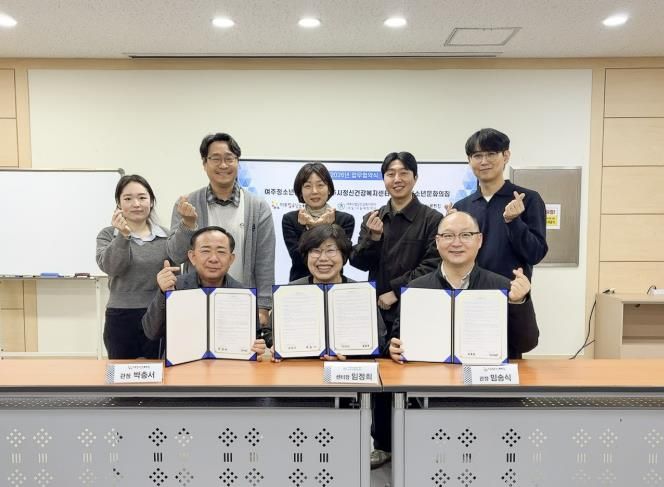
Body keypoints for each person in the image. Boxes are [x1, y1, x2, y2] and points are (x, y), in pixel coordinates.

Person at [349, 151, 442, 468]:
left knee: (416, 375)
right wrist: (373, 238)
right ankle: (383, 445)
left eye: (403, 173)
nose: (397, 179)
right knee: (379, 379)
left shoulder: (431, 219)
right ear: (384, 179)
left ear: (415, 177)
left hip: (416, 307)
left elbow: (433, 264)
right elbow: (357, 261)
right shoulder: (373, 217)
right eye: (390, 173)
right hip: (377, 311)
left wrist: (396, 291)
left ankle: (417, 442)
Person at [388, 211, 539, 364]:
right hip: (431, 376)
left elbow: (526, 344)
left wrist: (518, 302)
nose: (456, 243)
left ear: (479, 240)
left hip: (484, 376)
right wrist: (393, 348)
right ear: (437, 242)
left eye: (466, 235)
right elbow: (397, 339)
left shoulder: (503, 287)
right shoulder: (415, 289)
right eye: (448, 236)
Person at [171, 132, 275, 329]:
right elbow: (175, 256)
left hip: (242, 301)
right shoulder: (187, 203)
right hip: (196, 301)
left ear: (238, 162)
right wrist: (188, 225)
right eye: (216, 159)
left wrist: (263, 305)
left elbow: (265, 260)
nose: (223, 165)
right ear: (204, 164)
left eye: (229, 158)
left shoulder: (258, 207)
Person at [96, 174, 198, 359]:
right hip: (121, 316)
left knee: (161, 371)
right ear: (118, 204)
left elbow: (180, 256)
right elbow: (113, 267)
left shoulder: (165, 235)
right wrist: (123, 236)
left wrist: (188, 223)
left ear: (151, 202)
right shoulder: (108, 234)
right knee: (121, 372)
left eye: (142, 198)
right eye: (128, 199)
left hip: (159, 312)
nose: (136, 204)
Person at [142, 226, 270, 354]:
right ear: (192, 257)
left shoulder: (245, 295)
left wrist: (256, 349)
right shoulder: (176, 286)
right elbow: (151, 332)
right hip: (183, 363)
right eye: (205, 251)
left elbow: (254, 340)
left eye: (221, 252)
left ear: (231, 259)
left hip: (228, 363)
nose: (213, 259)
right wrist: (164, 293)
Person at [278, 224, 385, 360]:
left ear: (343, 256)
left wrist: (349, 355)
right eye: (315, 251)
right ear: (306, 256)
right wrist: (274, 345)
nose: (323, 258)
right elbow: (271, 334)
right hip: (301, 367)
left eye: (330, 250)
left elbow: (380, 342)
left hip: (347, 367)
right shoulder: (288, 293)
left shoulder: (362, 294)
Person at [452, 128, 548, 281]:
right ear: (469, 160)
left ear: (506, 156)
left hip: (511, 291)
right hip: (469, 291)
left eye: (491, 154)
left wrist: (513, 222)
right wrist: (449, 230)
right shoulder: (462, 207)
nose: (484, 161)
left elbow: (535, 254)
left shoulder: (528, 199)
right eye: (477, 156)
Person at [282, 162, 355, 281]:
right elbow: (298, 258)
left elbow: (343, 256)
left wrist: (320, 226)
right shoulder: (290, 219)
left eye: (320, 185)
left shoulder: (345, 219)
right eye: (308, 186)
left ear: (329, 189)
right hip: (301, 284)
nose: (314, 191)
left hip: (335, 283)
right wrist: (315, 227)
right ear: (300, 191)